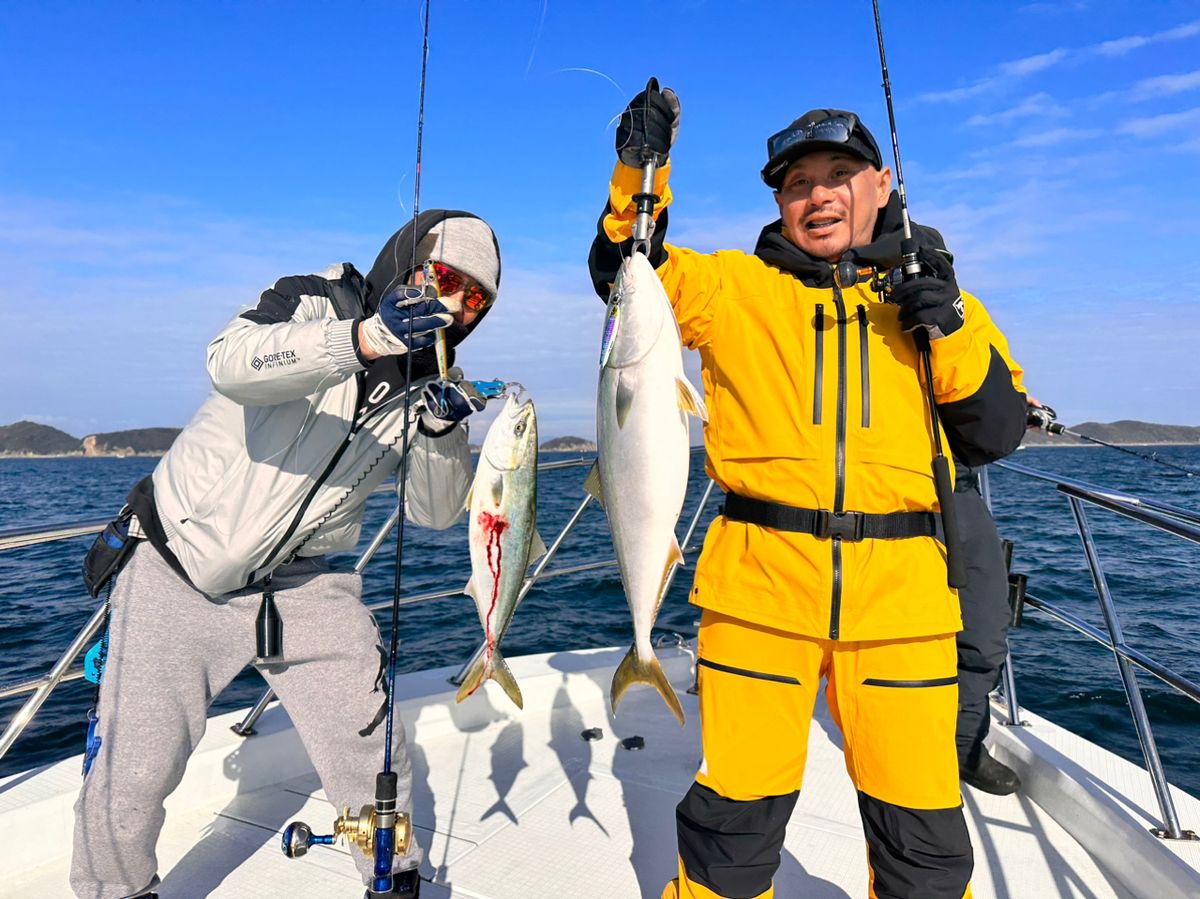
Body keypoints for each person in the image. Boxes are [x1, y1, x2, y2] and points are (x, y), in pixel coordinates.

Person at [588, 88, 1027, 899]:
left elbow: (995, 431)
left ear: (882, 184)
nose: (817, 194)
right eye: (795, 183)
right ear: (780, 202)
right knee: (733, 820)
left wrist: (951, 326)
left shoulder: (938, 303)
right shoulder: (734, 290)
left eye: (839, 174)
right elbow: (627, 274)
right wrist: (637, 176)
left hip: (903, 606)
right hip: (758, 590)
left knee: (924, 836)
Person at [71, 210, 501, 899]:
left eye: (475, 298)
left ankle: (393, 877)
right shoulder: (317, 301)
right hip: (181, 561)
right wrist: (363, 339)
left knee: (373, 745)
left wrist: (445, 433)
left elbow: (433, 511)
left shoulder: (431, 382)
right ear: (404, 261)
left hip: (305, 580)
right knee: (134, 769)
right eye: (445, 277)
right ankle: (114, 890)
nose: (455, 304)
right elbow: (229, 360)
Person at [955, 394, 1048, 795]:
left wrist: (1013, 409)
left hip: (954, 489)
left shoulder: (967, 331)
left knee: (982, 627)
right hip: (864, 488)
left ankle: (962, 747)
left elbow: (990, 423)